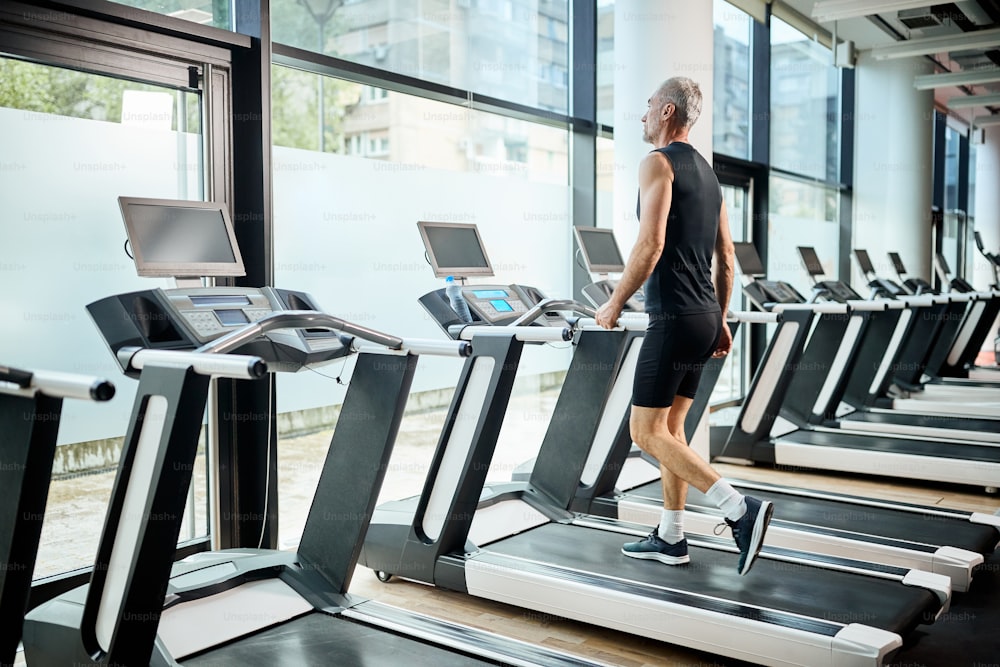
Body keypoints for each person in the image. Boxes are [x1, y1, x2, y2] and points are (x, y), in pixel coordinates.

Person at [594, 76, 773, 575]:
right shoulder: (710, 177)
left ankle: (740, 508)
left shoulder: (658, 163)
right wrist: (719, 319)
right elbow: (728, 257)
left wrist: (612, 304)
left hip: (672, 318)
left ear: (668, 111)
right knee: (672, 429)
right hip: (702, 319)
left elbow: (649, 246)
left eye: (649, 105)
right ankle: (672, 536)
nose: (642, 114)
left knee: (644, 431)